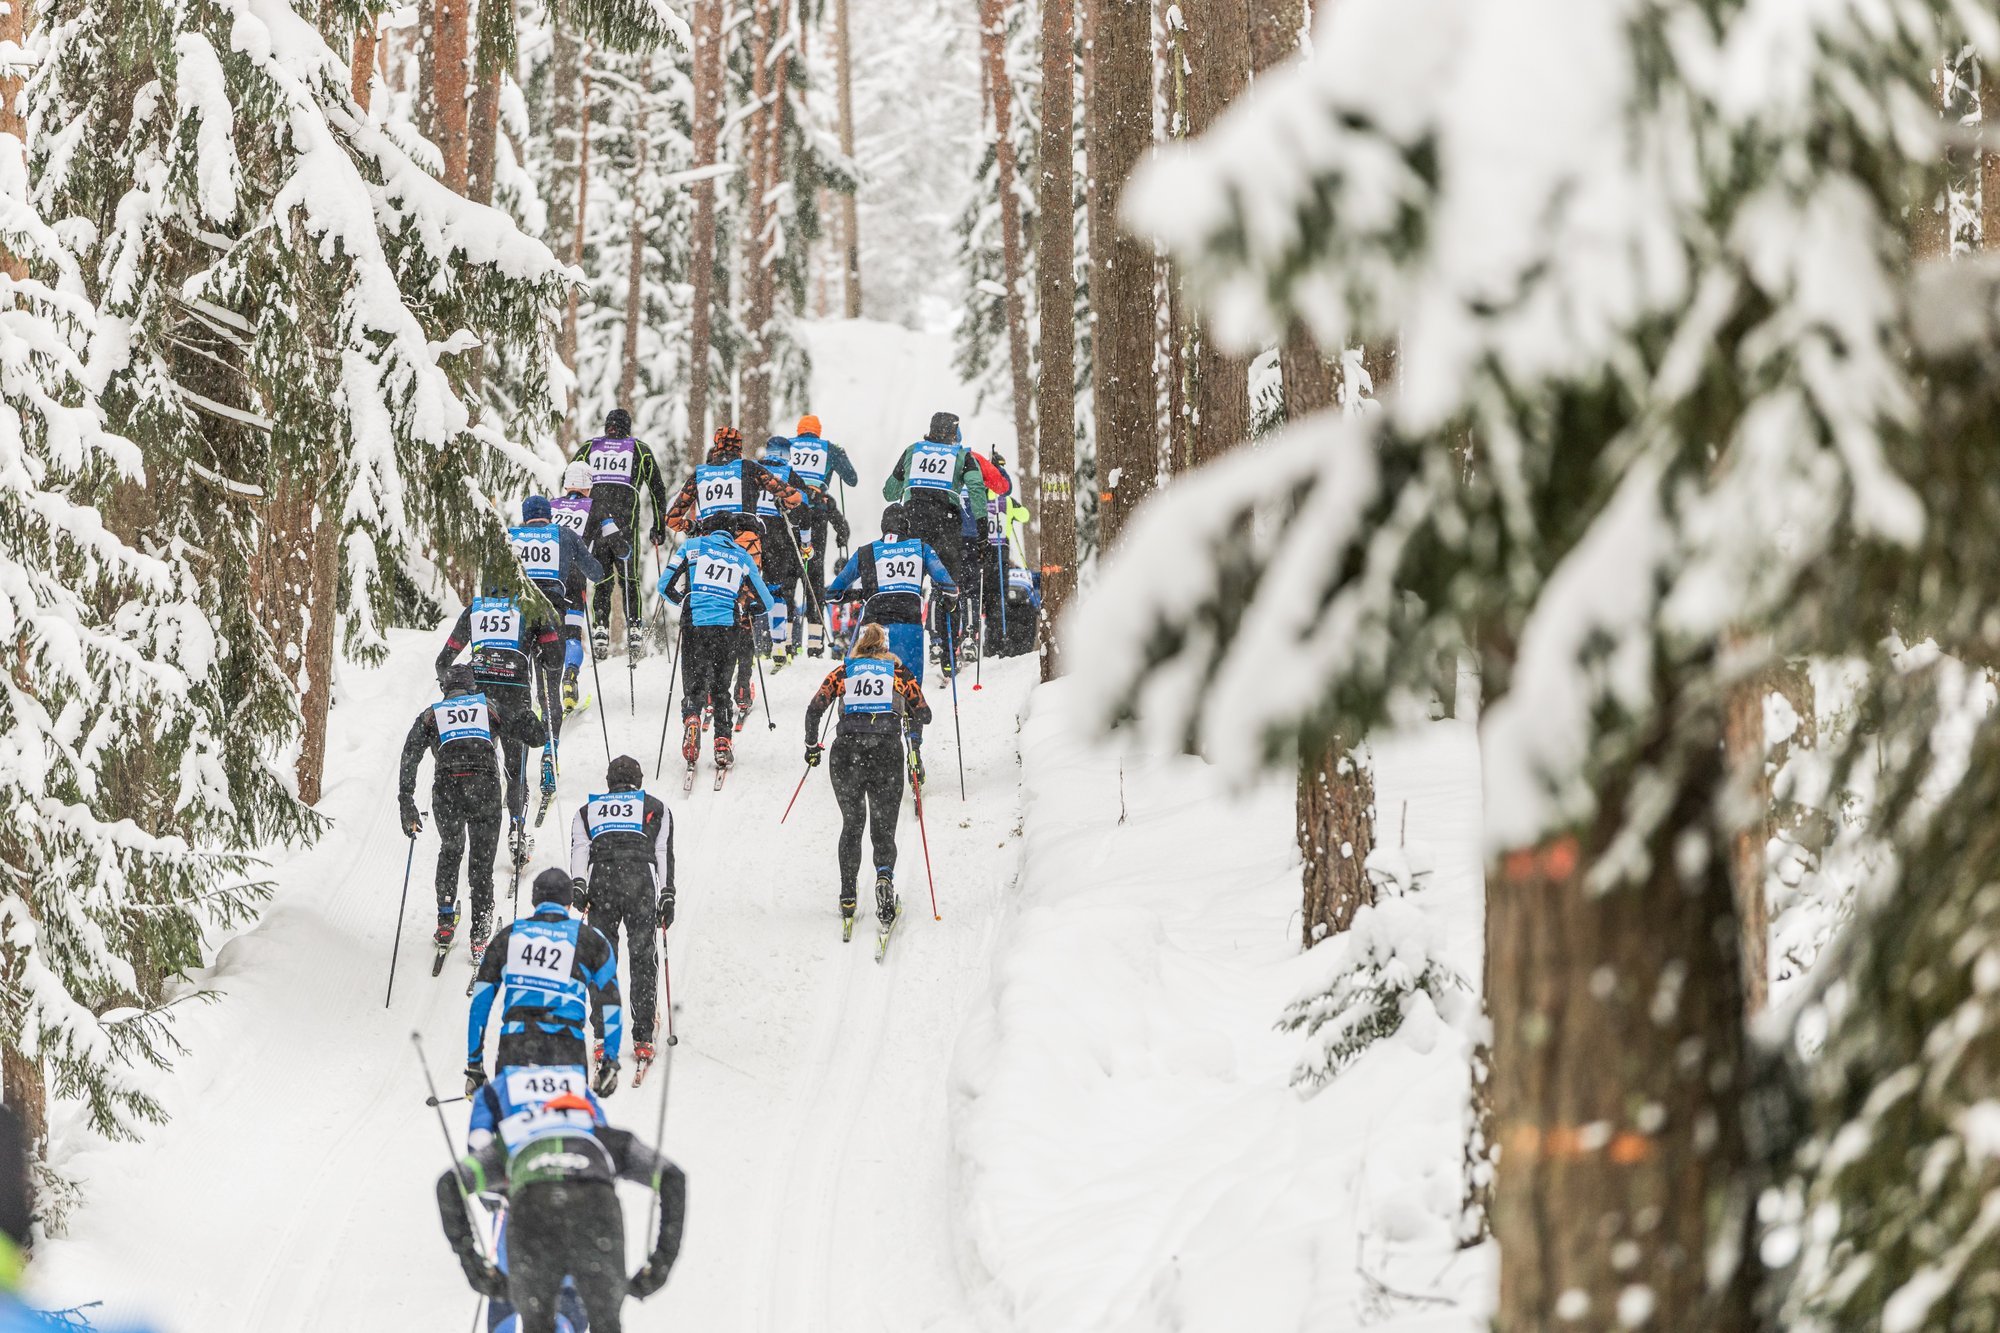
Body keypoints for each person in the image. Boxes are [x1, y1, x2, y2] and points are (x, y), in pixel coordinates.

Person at [438, 1076, 685, 1333]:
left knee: (537, 1324)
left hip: (531, 1214)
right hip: (595, 1213)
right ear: (586, 1115)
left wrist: (473, 1264)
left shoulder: (515, 1135)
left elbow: (449, 1183)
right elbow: (672, 1177)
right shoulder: (606, 1136)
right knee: (605, 1324)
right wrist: (661, 1262)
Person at [400, 665, 550, 959]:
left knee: (451, 850)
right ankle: (480, 933)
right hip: (484, 787)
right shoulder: (487, 706)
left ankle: (445, 920)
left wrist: (406, 800)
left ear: (445, 689)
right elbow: (535, 736)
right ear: (471, 688)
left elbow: (410, 754)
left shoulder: (431, 714)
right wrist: (532, 716)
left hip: (447, 789)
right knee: (482, 864)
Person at [802, 624, 932, 934]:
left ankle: (848, 895)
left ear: (859, 644)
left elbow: (815, 708)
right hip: (886, 749)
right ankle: (884, 880)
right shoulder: (896, 673)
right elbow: (924, 712)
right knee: (883, 825)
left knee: (853, 823)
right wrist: (910, 724)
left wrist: (812, 747)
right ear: (886, 647)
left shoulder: (844, 670)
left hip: (847, 751)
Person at [468, 868, 625, 1097]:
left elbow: (479, 1004)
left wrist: (474, 1064)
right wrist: (610, 1062)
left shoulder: (509, 936)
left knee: (515, 1127)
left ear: (534, 900)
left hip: (516, 1044)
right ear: (569, 903)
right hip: (567, 1046)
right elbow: (611, 1004)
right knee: (564, 1129)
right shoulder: (591, 940)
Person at [436, 589, 564, 862]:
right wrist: (539, 652)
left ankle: (471, 826)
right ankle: (517, 828)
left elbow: (443, 661)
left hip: (479, 695)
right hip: (515, 693)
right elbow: (555, 660)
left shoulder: (476, 609)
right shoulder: (532, 608)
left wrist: (450, 688)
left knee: (480, 762)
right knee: (516, 768)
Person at [568, 757, 673, 1080]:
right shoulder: (655, 807)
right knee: (642, 957)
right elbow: (662, 853)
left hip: (603, 883)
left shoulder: (588, 810)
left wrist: (579, 884)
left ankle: (602, 1035)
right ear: (638, 781)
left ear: (608, 781)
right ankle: (642, 1035)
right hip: (639, 881)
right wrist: (667, 894)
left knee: (602, 961)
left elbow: (580, 850)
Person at [657, 522, 780, 769]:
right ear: (732, 534)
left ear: (707, 531)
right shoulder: (741, 555)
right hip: (727, 626)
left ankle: (692, 717)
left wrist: (684, 600)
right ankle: (722, 742)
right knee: (721, 689)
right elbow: (766, 601)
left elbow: (664, 585)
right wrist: (749, 609)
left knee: (694, 684)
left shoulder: (692, 547)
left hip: (695, 623)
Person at [880, 411, 989, 658]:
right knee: (948, 588)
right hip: (946, 524)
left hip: (913, 523)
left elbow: (889, 492)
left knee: (909, 588)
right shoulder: (962, 456)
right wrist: (982, 530)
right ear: (953, 434)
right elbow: (976, 490)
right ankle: (950, 652)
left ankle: (906, 649)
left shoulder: (912, 451)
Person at [573, 408, 672, 661]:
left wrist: (572, 518)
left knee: (602, 577)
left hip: (595, 523)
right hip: (625, 526)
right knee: (629, 579)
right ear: (628, 428)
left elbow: (571, 480)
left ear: (607, 427)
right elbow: (657, 488)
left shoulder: (589, 448)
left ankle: (600, 627)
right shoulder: (638, 449)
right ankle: (635, 626)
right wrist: (659, 526)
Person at [826, 503, 958, 682]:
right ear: (907, 526)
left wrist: (862, 594)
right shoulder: (922, 548)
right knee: (910, 691)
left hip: (873, 630)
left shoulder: (864, 552)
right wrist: (949, 603)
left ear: (883, 526)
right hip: (908, 626)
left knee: (871, 689)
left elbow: (833, 594)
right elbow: (949, 588)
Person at [754, 437, 850, 666]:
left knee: (755, 587)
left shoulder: (752, 470)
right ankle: (784, 644)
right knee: (781, 588)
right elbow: (804, 510)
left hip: (754, 536)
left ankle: (752, 642)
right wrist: (806, 543)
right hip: (779, 537)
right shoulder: (790, 475)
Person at [512, 495, 605, 723]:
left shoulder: (511, 535)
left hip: (519, 614)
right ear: (549, 515)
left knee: (520, 670)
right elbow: (596, 572)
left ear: (525, 519)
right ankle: (549, 740)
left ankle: (523, 709)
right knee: (551, 678)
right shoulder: (564, 534)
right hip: (551, 612)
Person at [663, 425, 805, 538]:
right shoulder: (750, 468)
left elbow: (671, 520)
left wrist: (693, 527)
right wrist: (785, 503)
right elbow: (795, 497)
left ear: (716, 445)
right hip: (745, 543)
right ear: (739, 447)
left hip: (709, 542)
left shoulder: (700, 474)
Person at [785, 414, 859, 615]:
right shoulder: (829, 449)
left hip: (788, 513)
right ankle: (815, 639)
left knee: (788, 573)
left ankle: (787, 635)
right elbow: (852, 479)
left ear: (799, 432)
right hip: (817, 512)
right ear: (818, 433)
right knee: (814, 573)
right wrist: (839, 457)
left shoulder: (787, 445)